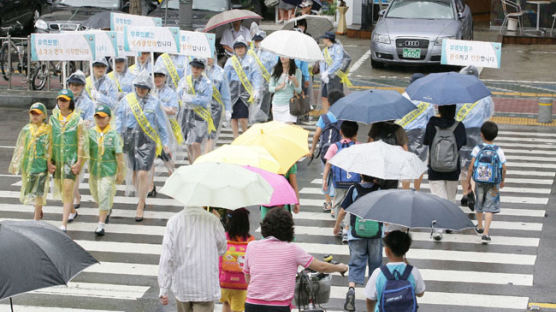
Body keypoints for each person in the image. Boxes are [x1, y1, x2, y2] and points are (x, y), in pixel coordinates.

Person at [243, 207, 348, 311]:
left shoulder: (252, 246)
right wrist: (340, 267)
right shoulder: (292, 249)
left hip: (252, 304)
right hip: (279, 306)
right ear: (289, 229)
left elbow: (247, 277)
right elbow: (321, 267)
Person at [116, 70, 170, 222]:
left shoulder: (155, 103)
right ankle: (141, 194)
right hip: (130, 139)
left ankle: (141, 202)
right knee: (134, 174)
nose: (141, 89)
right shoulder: (127, 100)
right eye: (139, 86)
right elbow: (119, 119)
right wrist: (117, 137)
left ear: (149, 88)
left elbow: (161, 125)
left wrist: (165, 143)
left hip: (148, 140)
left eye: (144, 87)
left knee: (143, 173)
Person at [158, 206, 227, 311]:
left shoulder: (174, 222)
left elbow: (166, 257)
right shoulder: (213, 220)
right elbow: (222, 249)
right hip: (205, 285)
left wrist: (163, 288)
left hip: (182, 286)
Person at [333, 175, 383, 312]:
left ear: (361, 175)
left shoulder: (354, 189)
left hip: (356, 233)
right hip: (376, 235)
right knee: (376, 264)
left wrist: (337, 226)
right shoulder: (379, 190)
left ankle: (351, 290)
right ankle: (375, 295)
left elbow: (343, 211)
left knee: (355, 263)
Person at [423, 105, 466, 240]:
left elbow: (426, 141)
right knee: (450, 197)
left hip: (435, 168)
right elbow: (461, 143)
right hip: (453, 168)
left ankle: (437, 229)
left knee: (437, 198)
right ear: (454, 111)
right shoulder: (459, 126)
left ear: (439, 110)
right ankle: (450, 225)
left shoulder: (432, 123)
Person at [48, 89, 88, 232]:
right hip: (57, 159)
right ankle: (72, 211)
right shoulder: (53, 119)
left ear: (71, 102)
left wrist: (79, 162)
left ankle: (63, 223)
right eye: (60, 100)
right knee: (63, 190)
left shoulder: (78, 120)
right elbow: (50, 141)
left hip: (71, 160)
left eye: (65, 100)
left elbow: (82, 142)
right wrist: (49, 161)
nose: (62, 103)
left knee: (67, 188)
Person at [457, 66, 495, 209]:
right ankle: (472, 191)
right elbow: (489, 114)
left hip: (461, 131)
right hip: (479, 132)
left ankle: (466, 193)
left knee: (463, 164)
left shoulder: (458, 93)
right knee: (475, 163)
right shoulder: (484, 94)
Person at [9, 102, 52, 221]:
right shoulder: (26, 130)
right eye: (33, 113)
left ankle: (36, 217)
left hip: (41, 166)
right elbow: (20, 147)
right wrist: (15, 164)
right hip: (28, 166)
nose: (35, 116)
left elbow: (50, 148)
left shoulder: (48, 130)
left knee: (39, 192)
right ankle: (38, 208)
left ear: (43, 115)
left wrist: (50, 163)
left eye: (38, 114)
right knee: (30, 191)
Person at [465, 121, 506, 244]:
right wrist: (503, 180)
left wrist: (468, 181)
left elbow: (471, 166)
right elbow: (504, 168)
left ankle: (480, 226)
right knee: (490, 207)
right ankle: (486, 233)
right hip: (494, 183)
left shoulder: (478, 149)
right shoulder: (499, 150)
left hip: (479, 182)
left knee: (479, 203)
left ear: (481, 134)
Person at [364, 231, 425, 312]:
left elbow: (370, 299)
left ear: (387, 250)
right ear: (406, 249)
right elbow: (420, 293)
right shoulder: (414, 272)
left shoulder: (378, 272)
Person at [88, 104, 125, 236]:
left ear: (109, 118)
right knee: (97, 196)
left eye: (103, 117)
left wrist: (121, 172)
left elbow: (119, 155)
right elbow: (84, 150)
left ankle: (101, 224)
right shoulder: (91, 133)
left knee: (104, 194)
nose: (100, 120)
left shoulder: (114, 135)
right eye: (98, 117)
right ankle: (107, 209)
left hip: (108, 171)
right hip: (94, 171)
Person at [322, 121, 359, 242]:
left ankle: (341, 226)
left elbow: (328, 164)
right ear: (356, 133)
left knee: (337, 204)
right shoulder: (359, 146)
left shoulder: (335, 146)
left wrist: (324, 179)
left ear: (341, 132)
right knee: (351, 205)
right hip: (354, 182)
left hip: (338, 181)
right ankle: (347, 229)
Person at [398, 73, 436, 190]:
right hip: (421, 135)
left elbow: (398, 116)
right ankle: (417, 189)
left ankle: (405, 190)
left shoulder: (403, 97)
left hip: (404, 135)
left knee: (406, 164)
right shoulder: (427, 99)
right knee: (419, 163)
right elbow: (431, 119)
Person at [309, 90, 344, 213]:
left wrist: (312, 150)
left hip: (326, 152)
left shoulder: (324, 117)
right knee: (337, 177)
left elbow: (317, 135)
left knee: (326, 177)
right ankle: (335, 204)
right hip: (340, 153)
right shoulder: (343, 118)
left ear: (329, 103)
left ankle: (328, 202)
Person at [224, 36, 263, 138]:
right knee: (234, 117)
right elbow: (225, 78)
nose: (240, 49)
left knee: (243, 117)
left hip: (245, 92)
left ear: (245, 48)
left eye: (241, 47)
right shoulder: (230, 61)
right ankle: (236, 137)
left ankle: (246, 136)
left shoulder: (251, 60)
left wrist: (256, 89)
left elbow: (256, 75)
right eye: (237, 47)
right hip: (232, 91)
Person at [177, 58, 213, 163]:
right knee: (188, 143)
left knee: (196, 143)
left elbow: (206, 99)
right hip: (186, 113)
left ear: (202, 69)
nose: (195, 69)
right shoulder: (184, 80)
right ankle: (191, 164)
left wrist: (192, 98)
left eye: (198, 67)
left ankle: (197, 167)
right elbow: (178, 94)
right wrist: (181, 92)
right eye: (194, 67)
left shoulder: (207, 82)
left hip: (200, 114)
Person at [219, 208, 255, 312]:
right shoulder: (250, 240)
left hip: (224, 281)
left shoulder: (224, 237)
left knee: (226, 303)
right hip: (242, 282)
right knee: (238, 309)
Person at [368, 121, 409, 189]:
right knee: (390, 194)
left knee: (377, 194)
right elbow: (405, 150)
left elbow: (369, 146)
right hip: (393, 169)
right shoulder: (398, 129)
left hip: (378, 168)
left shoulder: (376, 127)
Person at [205, 56, 232, 153]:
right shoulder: (198, 70)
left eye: (211, 56)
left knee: (211, 134)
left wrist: (228, 109)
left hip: (215, 108)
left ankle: (206, 157)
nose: (209, 59)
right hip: (200, 108)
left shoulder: (220, 72)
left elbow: (225, 93)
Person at [249, 31, 278, 123]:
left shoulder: (270, 53)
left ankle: (263, 118)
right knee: (254, 101)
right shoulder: (251, 53)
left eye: (259, 40)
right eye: (256, 41)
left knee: (265, 103)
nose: (258, 43)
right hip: (254, 82)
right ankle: (253, 118)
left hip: (266, 82)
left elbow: (274, 67)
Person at [319, 32, 350, 112]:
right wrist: (323, 74)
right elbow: (322, 62)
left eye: (324, 38)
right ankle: (326, 115)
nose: (323, 40)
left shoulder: (338, 48)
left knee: (335, 98)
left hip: (335, 77)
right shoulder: (324, 50)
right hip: (325, 78)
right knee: (324, 96)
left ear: (328, 39)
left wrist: (328, 72)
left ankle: (336, 114)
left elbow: (338, 62)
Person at [269, 57, 302, 124]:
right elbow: (270, 88)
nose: (282, 57)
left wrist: (295, 81)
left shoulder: (297, 71)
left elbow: (299, 90)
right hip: (276, 103)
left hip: (289, 104)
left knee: (288, 129)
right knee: (278, 130)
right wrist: (279, 87)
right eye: (281, 55)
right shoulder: (275, 70)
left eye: (285, 55)